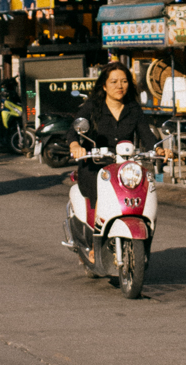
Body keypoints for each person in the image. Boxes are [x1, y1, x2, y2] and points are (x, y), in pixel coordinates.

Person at [66, 63, 161, 252]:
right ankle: (94, 244)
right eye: (114, 82)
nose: (120, 86)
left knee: (145, 188)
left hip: (125, 168)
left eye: (124, 81)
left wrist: (158, 150)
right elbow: (73, 131)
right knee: (100, 192)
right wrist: (75, 145)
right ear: (104, 85)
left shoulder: (133, 108)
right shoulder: (93, 107)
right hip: (95, 166)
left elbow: (146, 134)